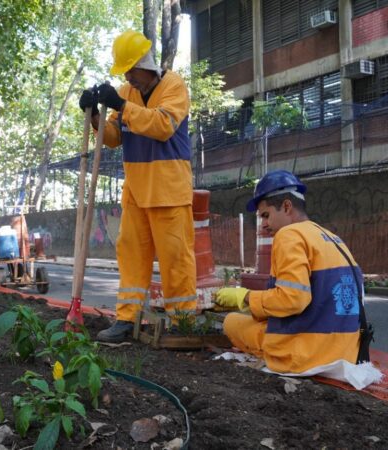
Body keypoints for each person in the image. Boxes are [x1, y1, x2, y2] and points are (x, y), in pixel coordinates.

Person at [80, 30, 196, 342]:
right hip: (136, 190)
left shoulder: (174, 86)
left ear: (146, 64)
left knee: (176, 259)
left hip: (169, 190)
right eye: (126, 72)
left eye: (131, 70)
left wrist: (120, 104)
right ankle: (127, 319)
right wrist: (93, 117)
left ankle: (182, 320)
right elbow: (114, 138)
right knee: (130, 255)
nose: (129, 77)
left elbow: (162, 126)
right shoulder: (126, 94)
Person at [214, 170, 364, 374]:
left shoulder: (289, 235)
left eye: (265, 215)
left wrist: (246, 297)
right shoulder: (331, 237)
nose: (264, 225)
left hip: (307, 352)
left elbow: (293, 300)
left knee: (232, 322)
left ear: (286, 206)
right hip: (346, 351)